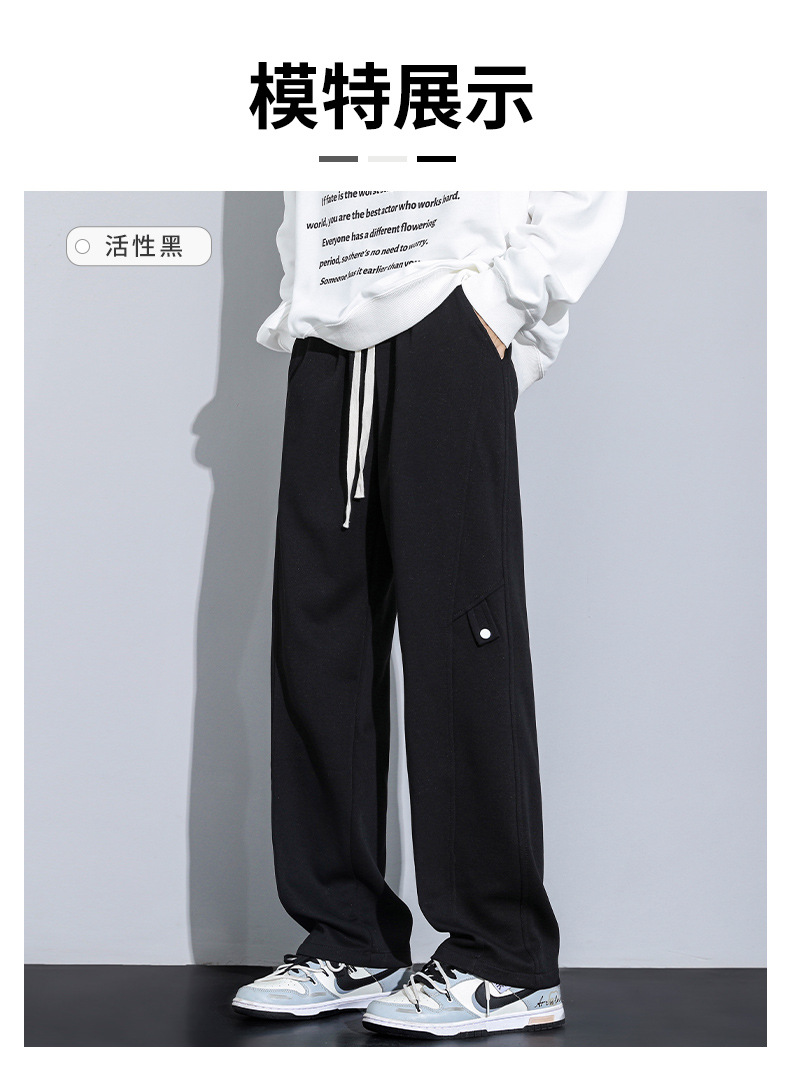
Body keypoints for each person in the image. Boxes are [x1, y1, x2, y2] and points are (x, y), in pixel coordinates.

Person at [232, 190, 627, 1039]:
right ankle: (347, 936)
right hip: (331, 335)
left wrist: (502, 301)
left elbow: (592, 167)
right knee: (317, 639)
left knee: (461, 635)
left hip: (450, 311)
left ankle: (506, 956)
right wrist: (307, 288)